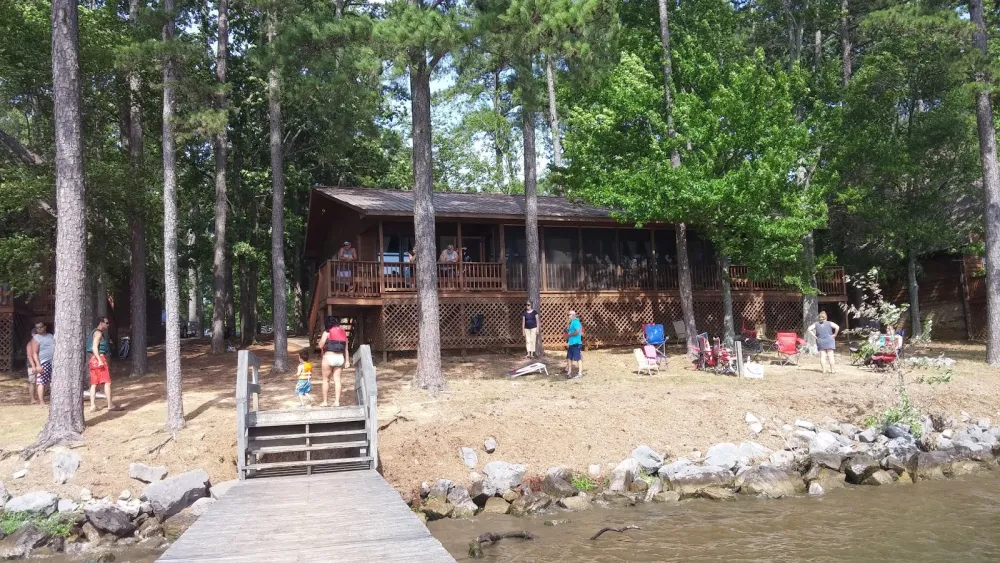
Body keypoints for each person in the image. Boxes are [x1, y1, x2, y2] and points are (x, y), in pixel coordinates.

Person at [87, 316, 122, 412]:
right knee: (107, 382)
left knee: (94, 384)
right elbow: (94, 347)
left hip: (92, 360)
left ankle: (92, 405)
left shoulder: (93, 332)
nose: (108, 324)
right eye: (106, 323)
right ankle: (110, 405)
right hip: (99, 359)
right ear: (101, 323)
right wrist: (100, 360)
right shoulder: (98, 333)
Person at [318, 316, 349, 407]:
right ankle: (337, 402)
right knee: (337, 380)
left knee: (326, 380)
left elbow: (320, 345)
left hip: (329, 357)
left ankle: (325, 402)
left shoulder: (327, 332)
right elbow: (346, 349)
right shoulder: (343, 332)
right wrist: (347, 361)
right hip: (340, 358)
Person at [31, 322, 54, 407]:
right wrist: (38, 365)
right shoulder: (36, 338)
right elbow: (34, 353)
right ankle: (42, 402)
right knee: (42, 382)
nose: (39, 329)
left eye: (40, 327)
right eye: (37, 328)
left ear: (45, 327)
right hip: (43, 363)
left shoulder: (51, 336)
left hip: (53, 362)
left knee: (53, 382)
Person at [564, 310, 583, 379]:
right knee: (569, 358)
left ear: (573, 315)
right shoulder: (572, 322)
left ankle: (580, 373)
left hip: (576, 343)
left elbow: (578, 331)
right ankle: (569, 372)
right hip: (572, 343)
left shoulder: (575, 321)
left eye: (569, 314)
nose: (568, 316)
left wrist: (569, 335)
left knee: (578, 358)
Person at [26, 327, 38, 404]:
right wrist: (33, 366)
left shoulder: (38, 342)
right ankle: (32, 399)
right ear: (32, 334)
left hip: (39, 364)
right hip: (32, 365)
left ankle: (38, 397)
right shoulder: (30, 343)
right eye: (36, 334)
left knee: (40, 382)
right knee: (32, 382)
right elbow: (29, 356)